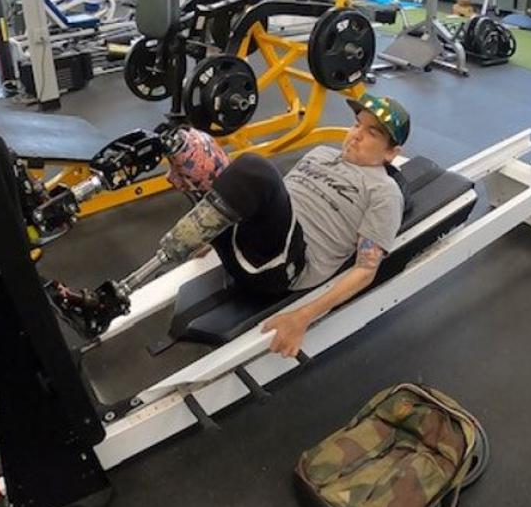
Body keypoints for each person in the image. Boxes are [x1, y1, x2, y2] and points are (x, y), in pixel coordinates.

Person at [51, 93, 409, 358]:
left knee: (255, 167)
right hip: (256, 242)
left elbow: (365, 270)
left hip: (285, 266)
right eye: (356, 124)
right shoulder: (321, 154)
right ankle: (72, 228)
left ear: (391, 152)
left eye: (372, 133)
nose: (356, 135)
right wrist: (216, 228)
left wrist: (302, 317)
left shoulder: (384, 191)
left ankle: (115, 295)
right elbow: (274, 198)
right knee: (183, 142)